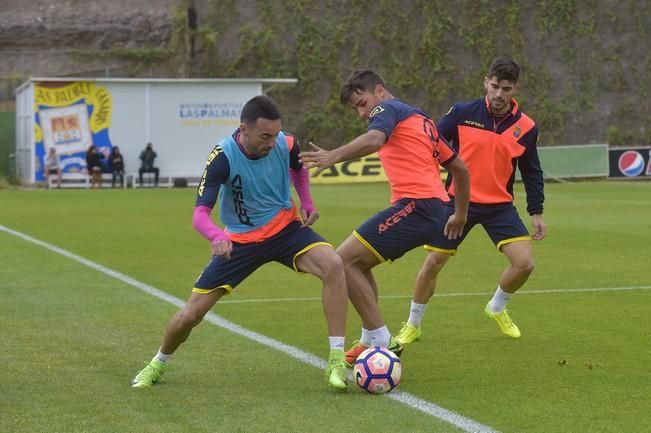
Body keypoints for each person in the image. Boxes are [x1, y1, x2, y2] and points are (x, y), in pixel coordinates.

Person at [131, 95, 350, 390]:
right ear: (243, 129)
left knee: (334, 264)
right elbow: (199, 215)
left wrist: (307, 202)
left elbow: (297, 169)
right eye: (265, 136)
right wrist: (217, 236)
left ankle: (336, 358)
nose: (272, 142)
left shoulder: (286, 143)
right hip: (239, 242)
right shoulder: (223, 156)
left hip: (286, 230)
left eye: (275, 134)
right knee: (190, 315)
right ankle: (157, 363)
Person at [301, 70, 470, 366]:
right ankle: (369, 339)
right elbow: (461, 168)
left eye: (362, 103)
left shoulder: (386, 108)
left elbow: (375, 139)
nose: (361, 112)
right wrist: (459, 213)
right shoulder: (422, 120)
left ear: (379, 91)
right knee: (359, 263)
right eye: (356, 108)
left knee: (340, 261)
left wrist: (334, 156)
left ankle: (383, 341)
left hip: (417, 205)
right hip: (434, 209)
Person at [394, 57, 546, 345]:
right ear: (485, 83)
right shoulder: (462, 113)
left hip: (500, 206)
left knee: (524, 264)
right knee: (433, 263)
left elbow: (531, 170)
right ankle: (413, 324)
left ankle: (497, 307)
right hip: (456, 202)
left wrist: (536, 211)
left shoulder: (526, 127)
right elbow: (431, 141)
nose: (499, 94)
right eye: (494, 86)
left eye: (506, 88)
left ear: (516, 89)